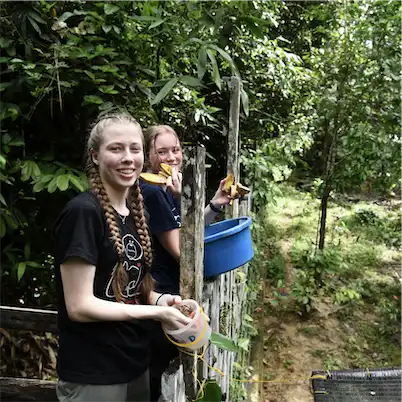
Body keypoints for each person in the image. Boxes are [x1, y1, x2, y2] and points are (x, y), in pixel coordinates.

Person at [53, 113, 194, 402]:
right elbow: (79, 306)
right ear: (95, 156)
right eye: (116, 149)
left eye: (135, 148)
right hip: (94, 373)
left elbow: (130, 290)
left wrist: (160, 300)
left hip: (135, 365)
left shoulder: (134, 214)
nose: (128, 158)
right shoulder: (83, 213)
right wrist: (157, 313)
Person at [140, 124, 230, 402]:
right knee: (161, 376)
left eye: (176, 149)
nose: (171, 157)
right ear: (147, 156)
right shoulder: (152, 192)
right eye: (162, 151)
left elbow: (186, 230)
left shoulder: (166, 188)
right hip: (161, 291)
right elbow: (183, 249)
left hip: (170, 290)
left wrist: (213, 204)